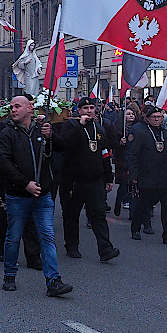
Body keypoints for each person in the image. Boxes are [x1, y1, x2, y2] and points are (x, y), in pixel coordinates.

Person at [0, 94, 72, 297]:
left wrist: (51, 136)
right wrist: (24, 183)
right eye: (11, 107)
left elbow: (62, 148)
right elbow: (4, 163)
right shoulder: (6, 133)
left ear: (30, 108)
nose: (13, 110)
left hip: (42, 195)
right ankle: (9, 275)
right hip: (18, 195)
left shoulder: (41, 130)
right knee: (13, 237)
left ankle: (53, 280)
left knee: (47, 237)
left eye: (17, 106)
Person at [59, 97, 119, 262]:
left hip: (94, 180)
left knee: (98, 214)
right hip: (74, 180)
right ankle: (72, 245)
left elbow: (103, 153)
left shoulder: (99, 128)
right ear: (79, 111)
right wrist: (80, 125)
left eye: (92, 108)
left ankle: (105, 249)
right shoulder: (70, 125)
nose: (89, 111)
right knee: (71, 215)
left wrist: (108, 177)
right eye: (85, 108)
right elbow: (65, 144)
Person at [126, 105, 167, 244]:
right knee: (142, 204)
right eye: (154, 117)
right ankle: (136, 228)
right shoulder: (140, 132)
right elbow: (133, 155)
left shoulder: (165, 133)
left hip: (165, 176)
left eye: (159, 117)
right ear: (147, 118)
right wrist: (133, 175)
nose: (156, 120)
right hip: (147, 175)